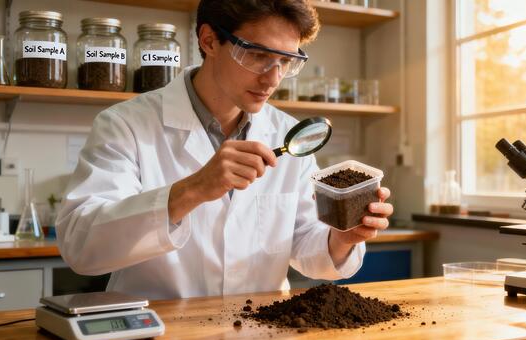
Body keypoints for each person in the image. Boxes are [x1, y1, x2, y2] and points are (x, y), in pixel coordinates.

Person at [56, 0, 393, 300]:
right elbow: (81, 246)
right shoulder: (125, 124)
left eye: (285, 61)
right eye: (258, 55)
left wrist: (342, 236)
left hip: (261, 332)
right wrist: (192, 190)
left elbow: (305, 244)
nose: (273, 78)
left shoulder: (290, 135)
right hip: (158, 331)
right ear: (209, 40)